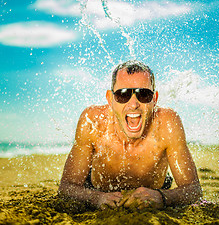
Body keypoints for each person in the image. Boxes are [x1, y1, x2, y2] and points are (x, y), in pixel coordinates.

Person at [58, 60, 202, 210]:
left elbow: (193, 190)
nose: (133, 104)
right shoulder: (92, 122)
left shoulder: (167, 123)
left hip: (156, 190)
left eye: (144, 94)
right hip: (97, 189)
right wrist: (96, 198)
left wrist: (162, 197)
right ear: (110, 99)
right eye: (123, 94)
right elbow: (66, 187)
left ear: (154, 99)